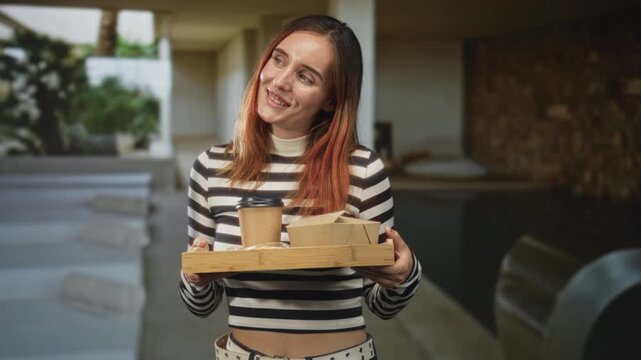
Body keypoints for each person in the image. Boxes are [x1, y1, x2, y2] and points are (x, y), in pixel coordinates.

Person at [180, 15, 422, 360]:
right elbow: (200, 304)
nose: (279, 81)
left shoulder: (362, 169)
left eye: (305, 76)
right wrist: (196, 278)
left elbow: (382, 305)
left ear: (330, 99)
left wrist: (405, 274)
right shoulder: (211, 168)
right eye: (279, 59)